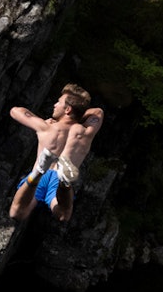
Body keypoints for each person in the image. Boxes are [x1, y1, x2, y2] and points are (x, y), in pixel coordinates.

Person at [9, 84, 104, 222]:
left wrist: (42, 120)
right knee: (63, 216)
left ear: (67, 109)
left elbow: (15, 111)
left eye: (59, 102)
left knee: (17, 213)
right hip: (58, 178)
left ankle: (37, 173)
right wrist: (77, 115)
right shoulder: (85, 132)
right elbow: (98, 112)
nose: (55, 105)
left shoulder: (46, 127)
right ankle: (65, 183)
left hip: (43, 174)